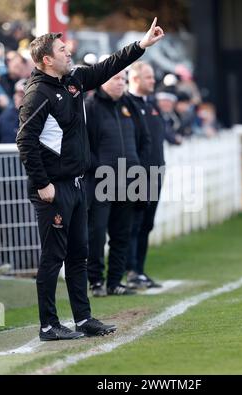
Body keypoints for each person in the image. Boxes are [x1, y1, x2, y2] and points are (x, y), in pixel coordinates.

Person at [16, 18, 164, 341]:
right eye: (61, 49)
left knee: (79, 255)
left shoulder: (74, 81)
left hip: (77, 184)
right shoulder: (37, 93)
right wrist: (43, 184)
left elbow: (110, 65)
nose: (68, 51)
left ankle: (83, 320)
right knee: (53, 258)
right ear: (46, 60)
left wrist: (141, 45)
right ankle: (48, 325)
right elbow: (24, 142)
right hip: (53, 189)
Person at [85, 69, 150, 297]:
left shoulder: (129, 106)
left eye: (123, 79)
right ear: (103, 80)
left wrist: (138, 167)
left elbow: (144, 139)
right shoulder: (90, 106)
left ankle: (115, 282)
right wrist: (98, 167)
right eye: (115, 78)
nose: (120, 83)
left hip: (129, 179)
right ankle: (95, 281)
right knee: (97, 233)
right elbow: (84, 145)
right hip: (101, 180)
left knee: (122, 233)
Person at [125, 61, 166, 289]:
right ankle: (130, 270)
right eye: (149, 77)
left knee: (147, 223)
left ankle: (139, 269)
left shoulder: (152, 105)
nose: (153, 81)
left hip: (156, 173)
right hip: (136, 174)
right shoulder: (127, 104)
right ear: (137, 78)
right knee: (134, 223)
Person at [0, 78, 26, 143]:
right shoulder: (4, 118)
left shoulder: (39, 116)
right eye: (19, 95)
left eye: (25, 95)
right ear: (14, 96)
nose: (22, 98)